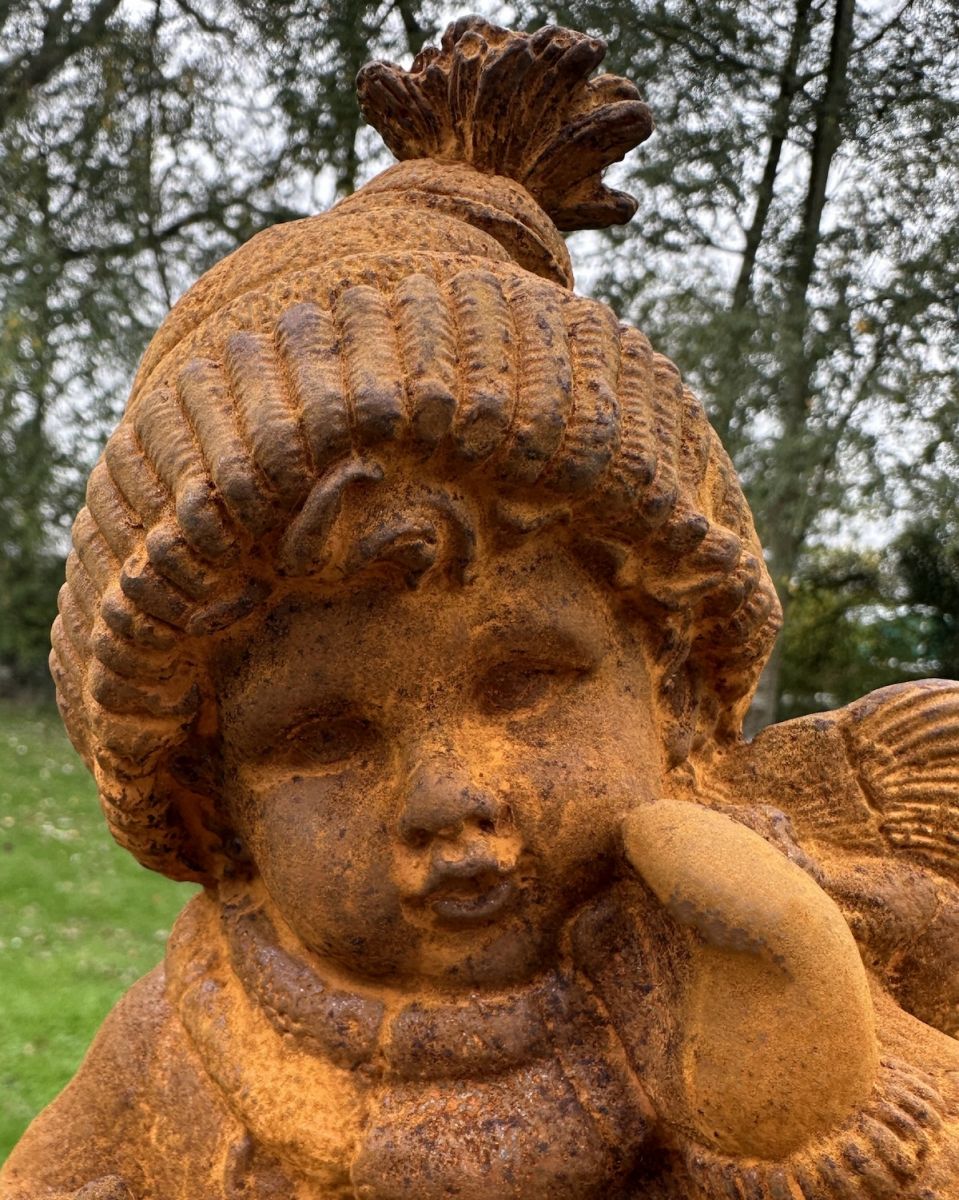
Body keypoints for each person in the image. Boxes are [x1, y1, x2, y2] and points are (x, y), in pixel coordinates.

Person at [3, 18, 957, 1200]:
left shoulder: (745, 957)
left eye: (526, 682)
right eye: (324, 740)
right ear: (214, 809)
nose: (448, 794)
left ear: (669, 685)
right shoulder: (183, 1051)